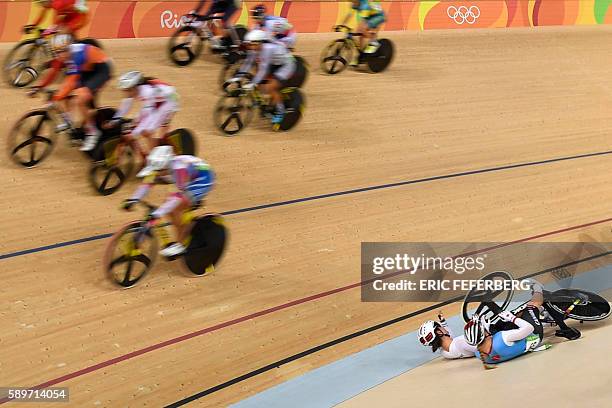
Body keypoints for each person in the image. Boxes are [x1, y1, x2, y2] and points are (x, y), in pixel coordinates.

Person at [121, 146, 215, 258]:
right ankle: (183, 226)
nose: (156, 173)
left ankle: (180, 246)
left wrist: (156, 214)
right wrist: (133, 199)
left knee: (175, 206)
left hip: (203, 180)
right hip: (190, 175)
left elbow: (180, 195)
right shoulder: (163, 166)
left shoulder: (178, 168)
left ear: (164, 166)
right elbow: (147, 183)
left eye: (158, 171)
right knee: (169, 206)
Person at [28, 34, 112, 151]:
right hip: (86, 70)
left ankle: (92, 132)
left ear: (68, 49)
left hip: (101, 70)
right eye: (55, 53)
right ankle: (69, 121)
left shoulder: (77, 55)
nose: (57, 56)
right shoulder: (64, 55)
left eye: (59, 52)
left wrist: (56, 97)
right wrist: (39, 86)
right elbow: (53, 73)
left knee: (80, 98)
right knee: (64, 95)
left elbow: (71, 81)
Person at [464, 281, 580, 365]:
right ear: (484, 334)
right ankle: (538, 290)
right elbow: (528, 328)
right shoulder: (502, 338)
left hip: (517, 346)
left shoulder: (480, 355)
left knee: (507, 320)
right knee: (531, 307)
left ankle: (542, 313)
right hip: (534, 335)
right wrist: (511, 318)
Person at [235, 29, 297, 128]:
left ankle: (280, 111)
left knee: (271, 87)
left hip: (286, 65)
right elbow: (248, 63)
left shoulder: (267, 49)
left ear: (260, 43)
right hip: (274, 64)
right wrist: (237, 77)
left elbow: (263, 70)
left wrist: (253, 84)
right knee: (257, 77)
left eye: (253, 44)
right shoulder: (254, 49)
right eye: (249, 44)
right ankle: (262, 101)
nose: (251, 47)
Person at [110, 71, 179, 158]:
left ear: (135, 87)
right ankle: (156, 148)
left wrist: (134, 133)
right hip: (158, 102)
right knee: (138, 124)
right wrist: (114, 121)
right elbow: (125, 106)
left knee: (147, 131)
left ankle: (155, 158)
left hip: (169, 102)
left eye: (127, 90)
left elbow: (149, 116)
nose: (126, 94)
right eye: (124, 91)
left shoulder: (147, 92)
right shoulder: (137, 90)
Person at [338, 0, 386, 66]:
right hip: (370, 16)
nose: (351, 2)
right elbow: (349, 15)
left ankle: (374, 42)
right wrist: (342, 24)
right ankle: (361, 55)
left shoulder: (365, 5)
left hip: (378, 16)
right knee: (361, 36)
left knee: (362, 29)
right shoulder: (355, 4)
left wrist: (372, 31)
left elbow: (363, 21)